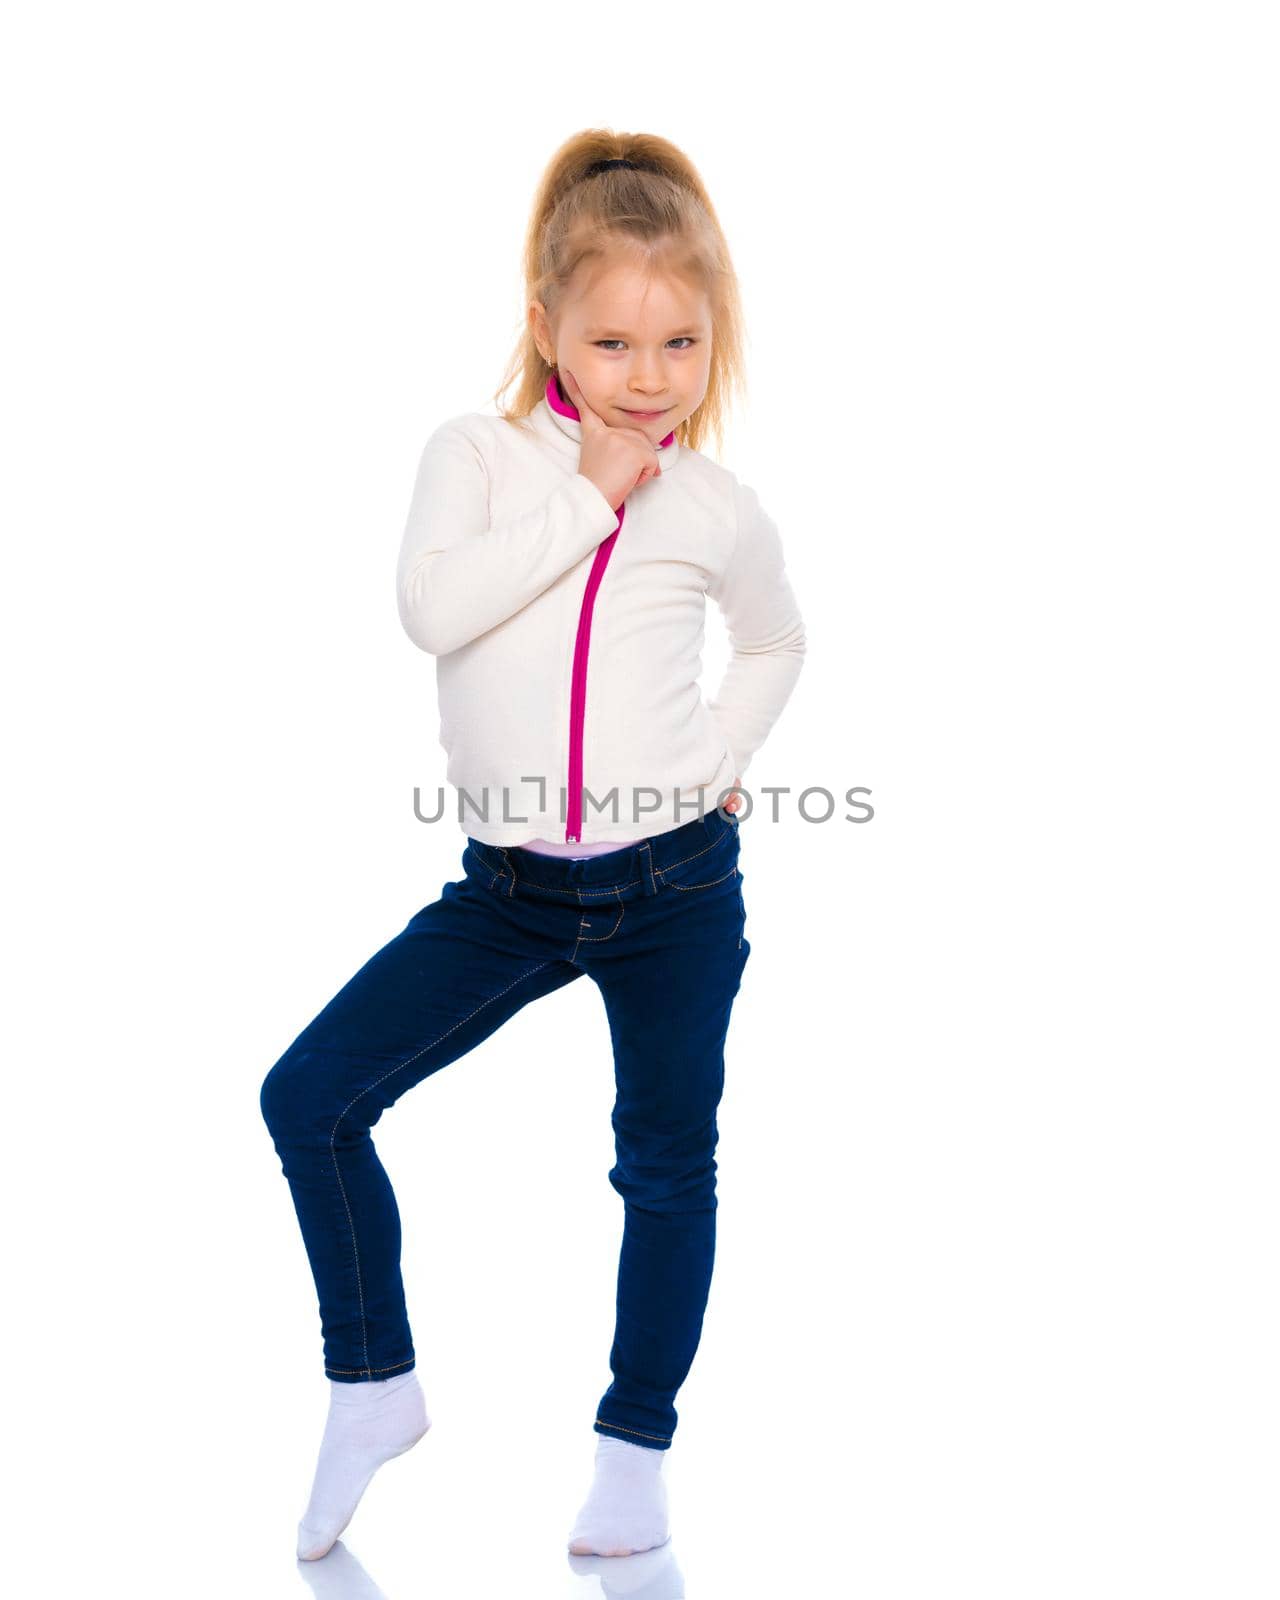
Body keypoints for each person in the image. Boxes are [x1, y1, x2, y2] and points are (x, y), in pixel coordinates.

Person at [259, 129, 807, 1563]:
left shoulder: (719, 507)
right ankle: (373, 1380)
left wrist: (723, 758)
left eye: (681, 341)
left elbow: (776, 638)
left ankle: (636, 1448)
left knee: (664, 1164)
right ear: (546, 327)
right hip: (507, 895)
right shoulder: (482, 457)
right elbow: (435, 612)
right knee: (309, 1098)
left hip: (677, 886)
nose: (646, 372)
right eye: (613, 337)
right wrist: (592, 496)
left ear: (714, 341)